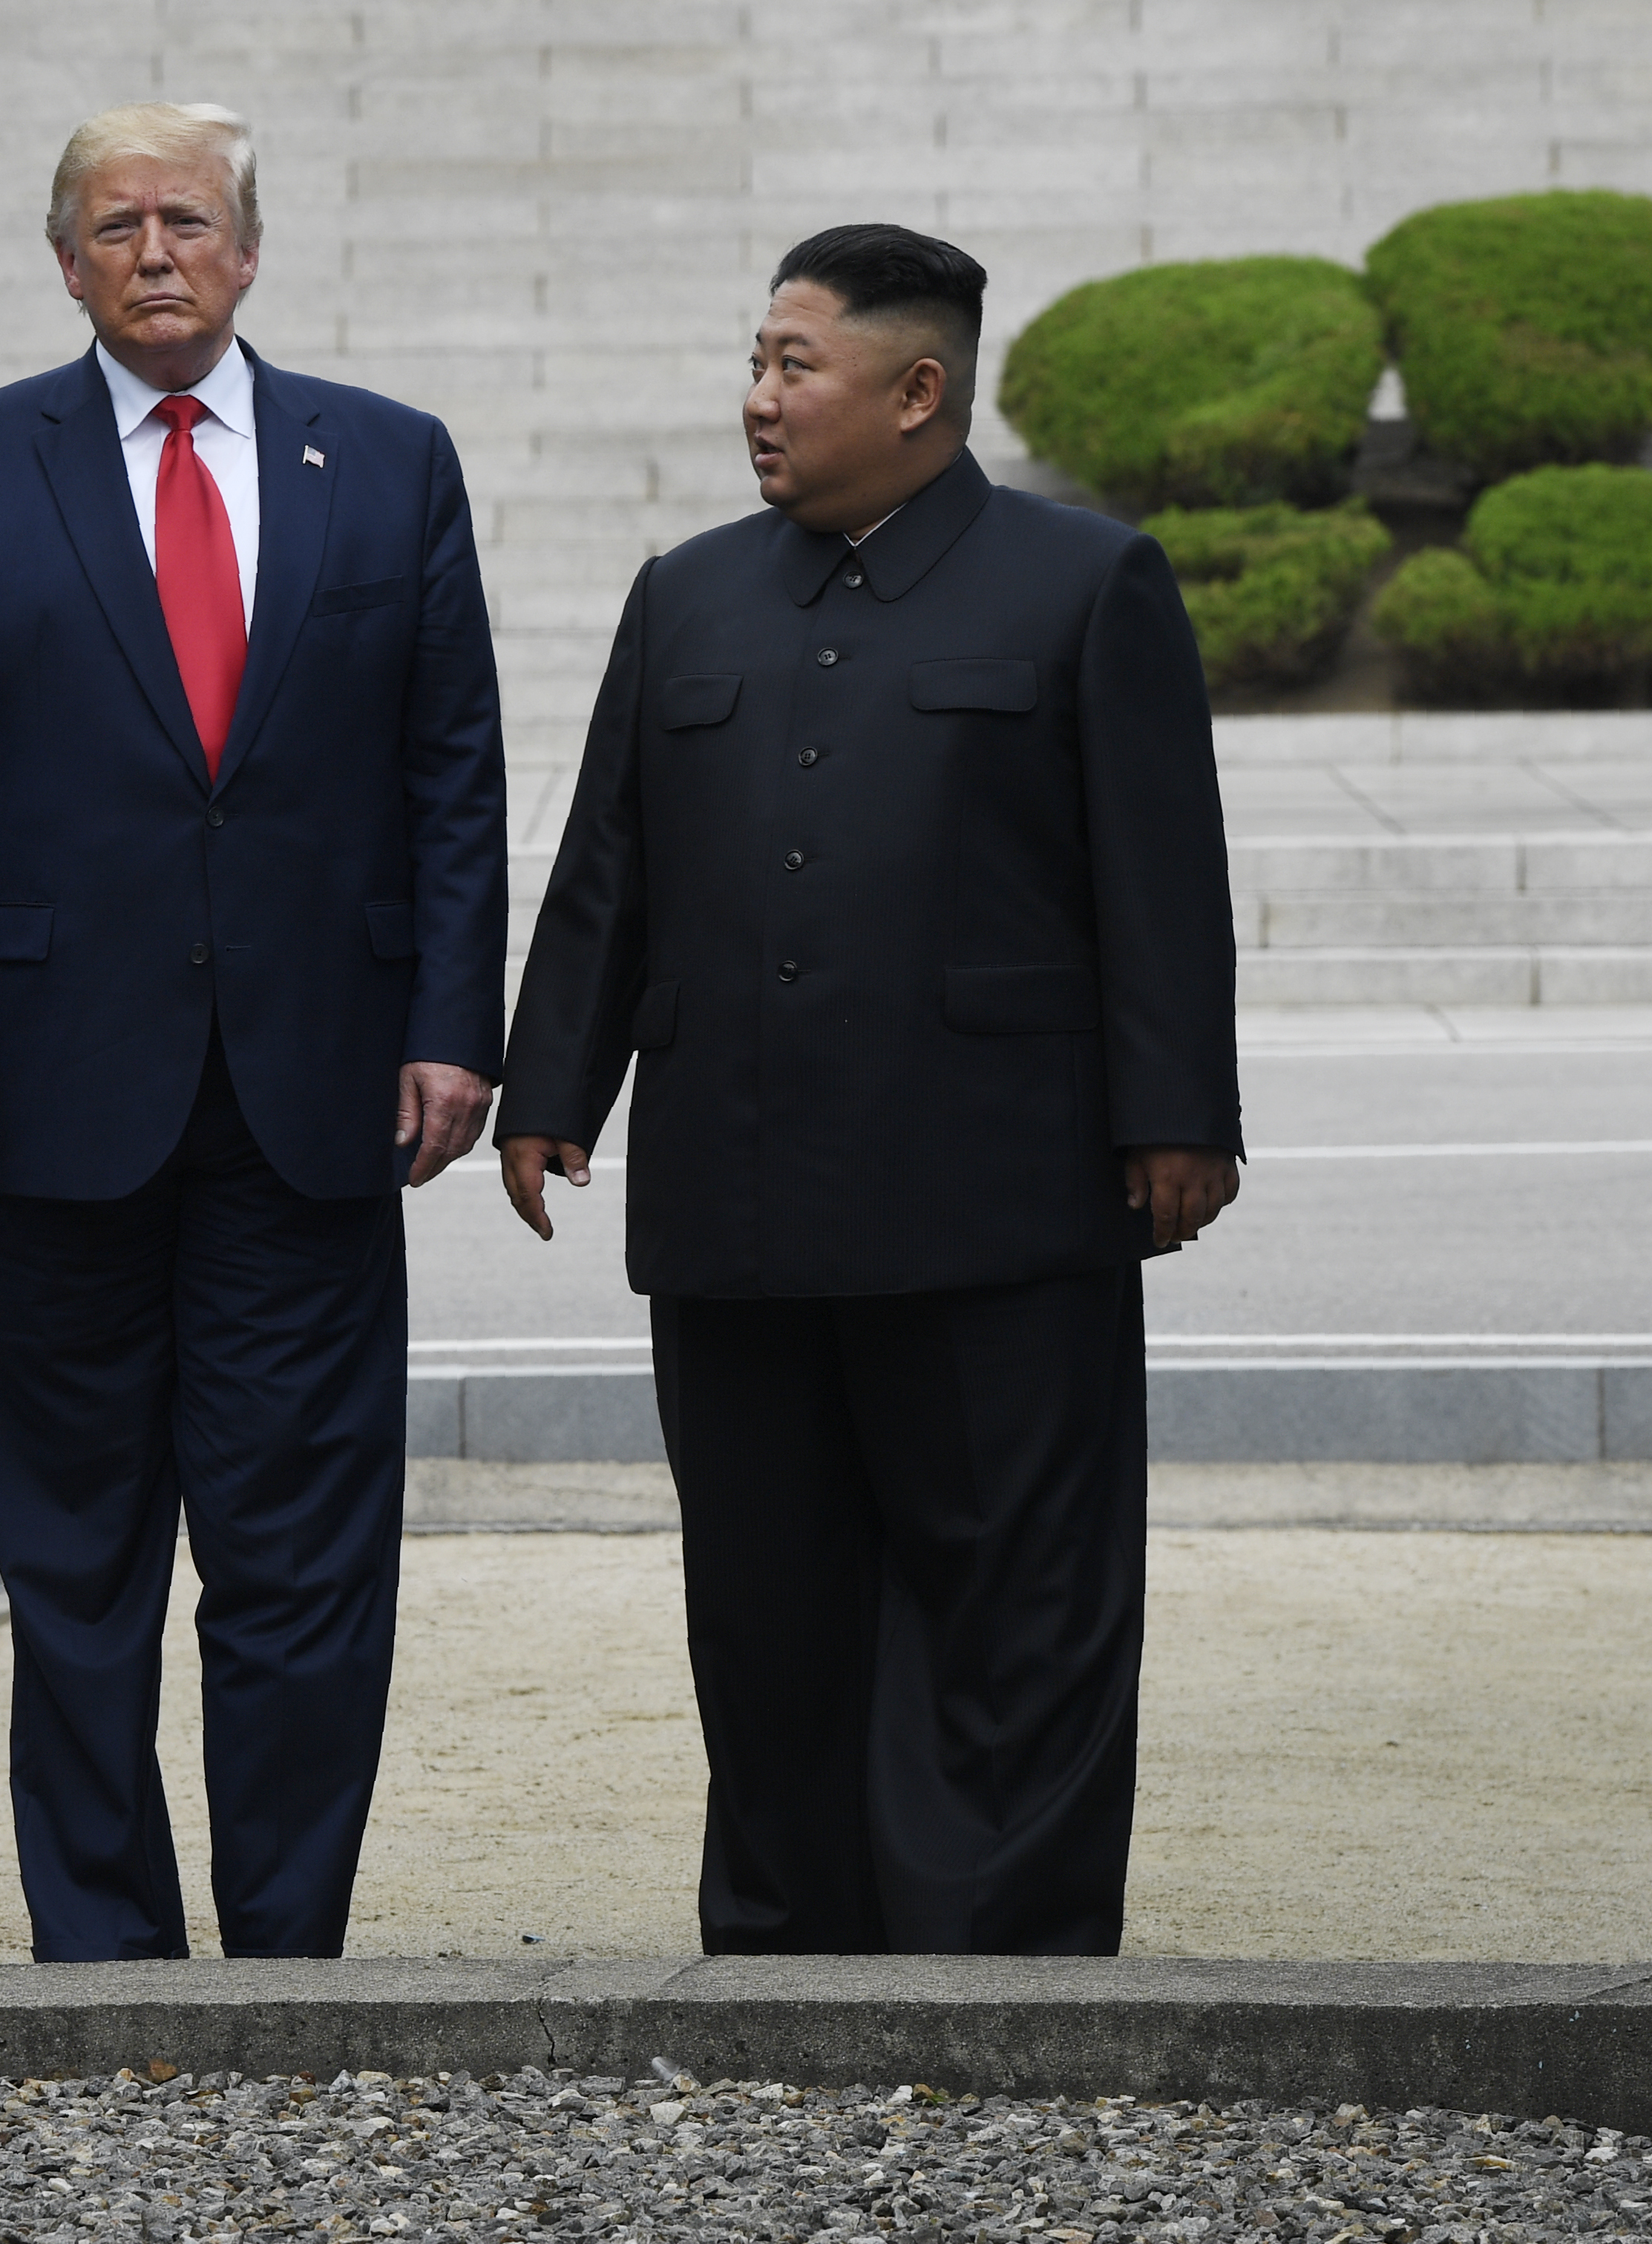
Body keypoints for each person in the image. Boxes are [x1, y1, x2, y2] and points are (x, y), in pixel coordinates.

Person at [495, 224, 1244, 1957]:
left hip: (994, 1194)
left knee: (1014, 1600)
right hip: (734, 1199)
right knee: (764, 1598)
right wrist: (554, 1082)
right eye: (754, 360)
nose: (757, 398)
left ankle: (1000, 1953)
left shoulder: (1082, 581)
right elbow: (607, 856)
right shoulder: (684, 589)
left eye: (792, 365)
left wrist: (1177, 1113)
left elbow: (1157, 870)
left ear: (916, 392)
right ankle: (783, 1940)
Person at [0, 102, 508, 1960]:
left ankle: (288, 1951)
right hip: (40, 1104)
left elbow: (452, 763)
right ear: (65, 261)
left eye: (190, 221)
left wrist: (457, 1018)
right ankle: (100, 1948)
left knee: (304, 1564)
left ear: (247, 250)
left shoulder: (385, 462)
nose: (156, 251)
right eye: (117, 223)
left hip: (314, 1101)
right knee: (73, 1565)